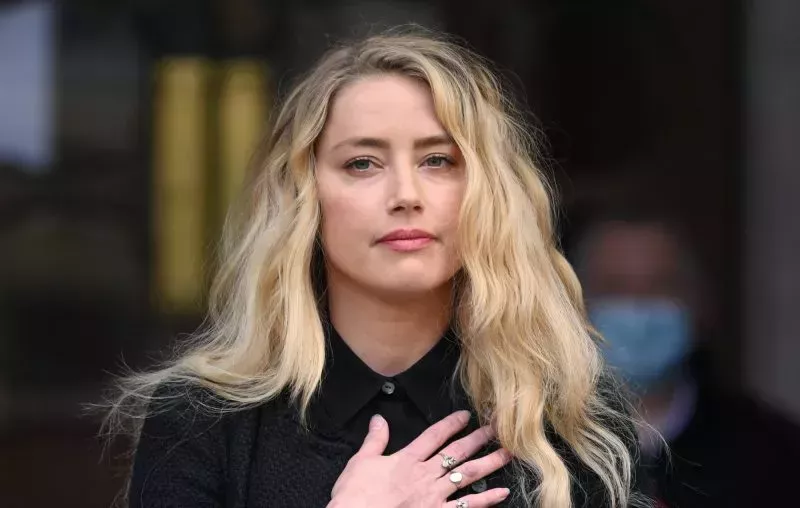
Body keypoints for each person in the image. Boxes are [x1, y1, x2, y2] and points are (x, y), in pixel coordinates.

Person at [106, 29, 647, 508]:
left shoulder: (573, 415)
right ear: (304, 195)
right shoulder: (200, 420)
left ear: (487, 192)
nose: (405, 195)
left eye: (438, 160)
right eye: (362, 163)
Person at [571, 210, 800, 507]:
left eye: (661, 285)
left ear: (699, 302)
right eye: (615, 287)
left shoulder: (774, 453)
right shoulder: (537, 449)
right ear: (574, 306)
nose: (638, 307)